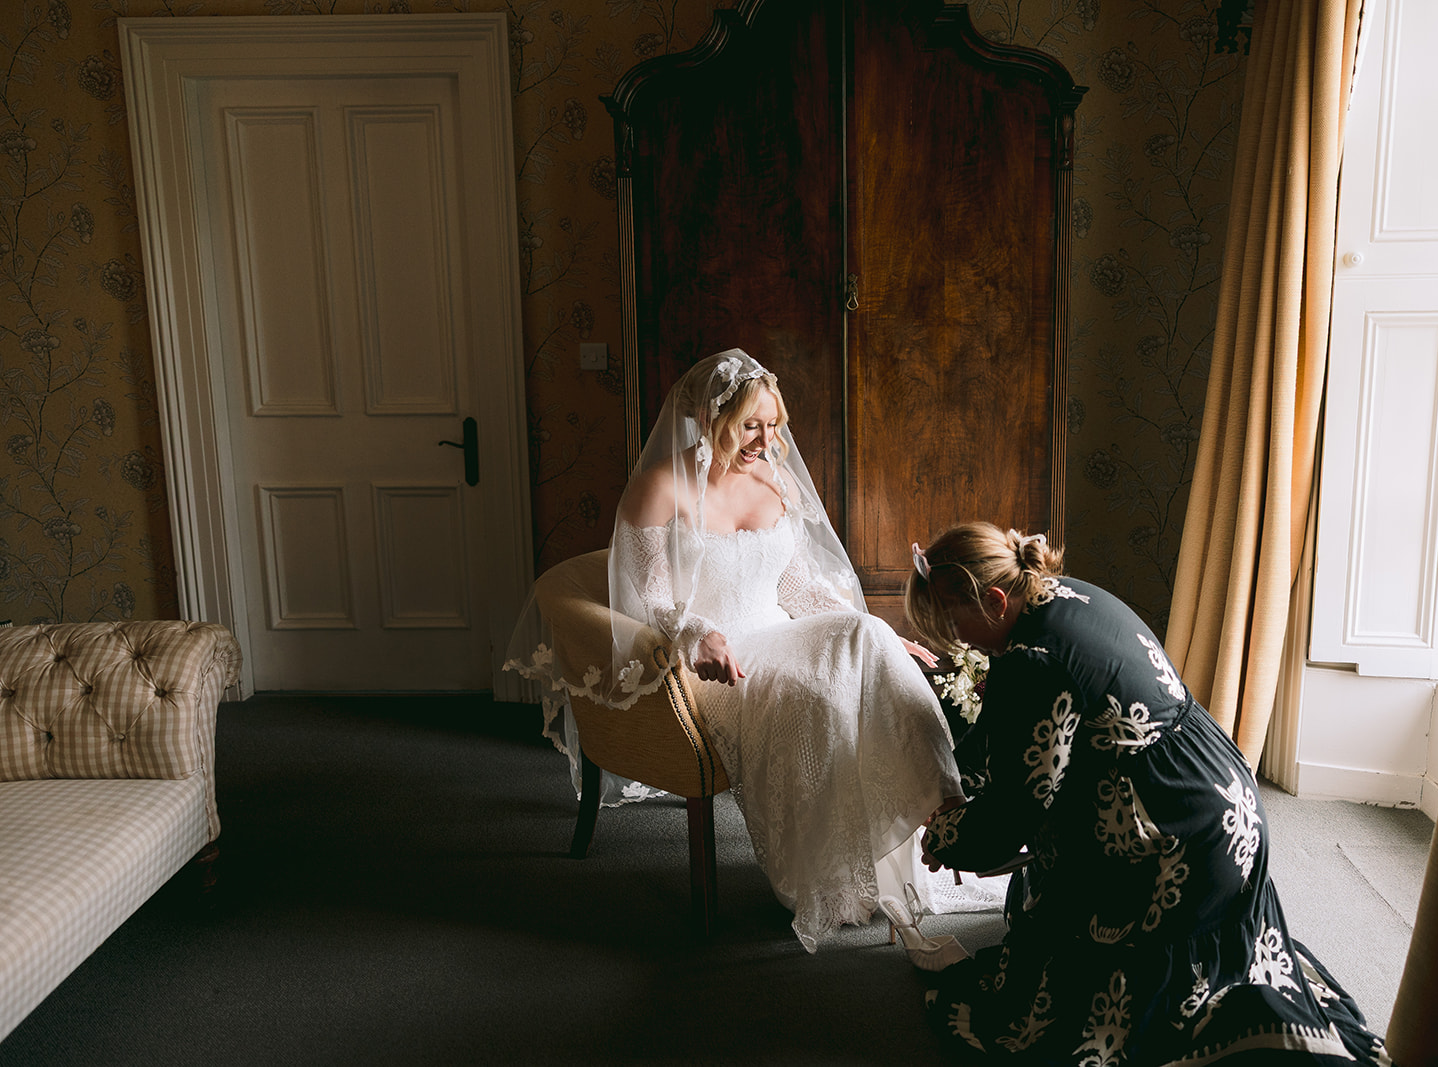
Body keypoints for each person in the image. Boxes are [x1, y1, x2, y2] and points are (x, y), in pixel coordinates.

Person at [506, 349, 998, 952]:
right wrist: (697, 633)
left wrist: (880, 632)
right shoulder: (659, 488)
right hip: (714, 661)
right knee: (817, 698)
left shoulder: (773, 478)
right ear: (708, 419)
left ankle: (945, 810)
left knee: (869, 637)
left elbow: (798, 589)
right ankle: (834, 870)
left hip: (777, 632)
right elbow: (648, 599)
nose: (767, 441)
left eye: (773, 424)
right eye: (750, 426)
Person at [904, 521, 1388, 1063]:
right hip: (1225, 799)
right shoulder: (1056, 593)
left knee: (1050, 991)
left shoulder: (1032, 661)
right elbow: (1012, 739)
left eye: (954, 622)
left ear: (994, 600)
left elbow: (1014, 814)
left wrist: (945, 836)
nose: (956, 639)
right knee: (1043, 892)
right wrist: (956, 781)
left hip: (1180, 840)